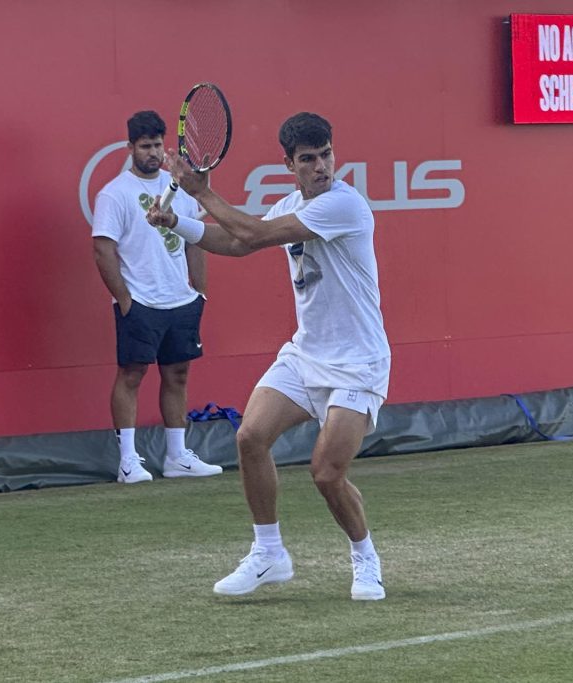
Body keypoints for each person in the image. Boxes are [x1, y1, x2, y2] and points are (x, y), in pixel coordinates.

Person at [147, 112, 390, 600]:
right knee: (251, 437)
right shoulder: (291, 205)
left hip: (358, 362)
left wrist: (199, 192)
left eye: (326, 155)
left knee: (325, 472)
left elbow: (254, 235)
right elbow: (238, 243)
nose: (321, 166)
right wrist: (179, 223)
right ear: (289, 164)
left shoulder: (345, 205)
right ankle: (269, 553)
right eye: (308, 159)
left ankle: (366, 559)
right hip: (306, 354)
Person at [92, 110, 223, 484]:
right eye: (145, 146)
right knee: (132, 375)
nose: (152, 153)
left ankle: (177, 456)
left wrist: (198, 290)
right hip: (140, 301)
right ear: (130, 147)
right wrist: (125, 299)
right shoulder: (114, 194)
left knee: (178, 375)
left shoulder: (179, 187)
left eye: (157, 146)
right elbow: (103, 250)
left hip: (180, 300)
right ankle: (129, 460)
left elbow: (196, 237)